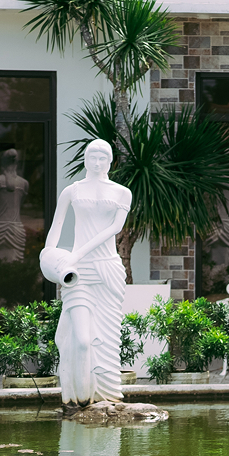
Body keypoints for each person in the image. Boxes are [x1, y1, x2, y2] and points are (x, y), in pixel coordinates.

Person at [42, 138, 133, 406]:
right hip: (77, 272)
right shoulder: (72, 191)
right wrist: (48, 255)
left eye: (102, 158)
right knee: (81, 339)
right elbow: (56, 228)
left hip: (107, 269)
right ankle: (77, 397)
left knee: (106, 339)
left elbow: (115, 228)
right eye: (92, 157)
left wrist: (77, 253)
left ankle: (103, 397)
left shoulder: (121, 192)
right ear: (85, 159)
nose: (96, 162)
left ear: (110, 161)